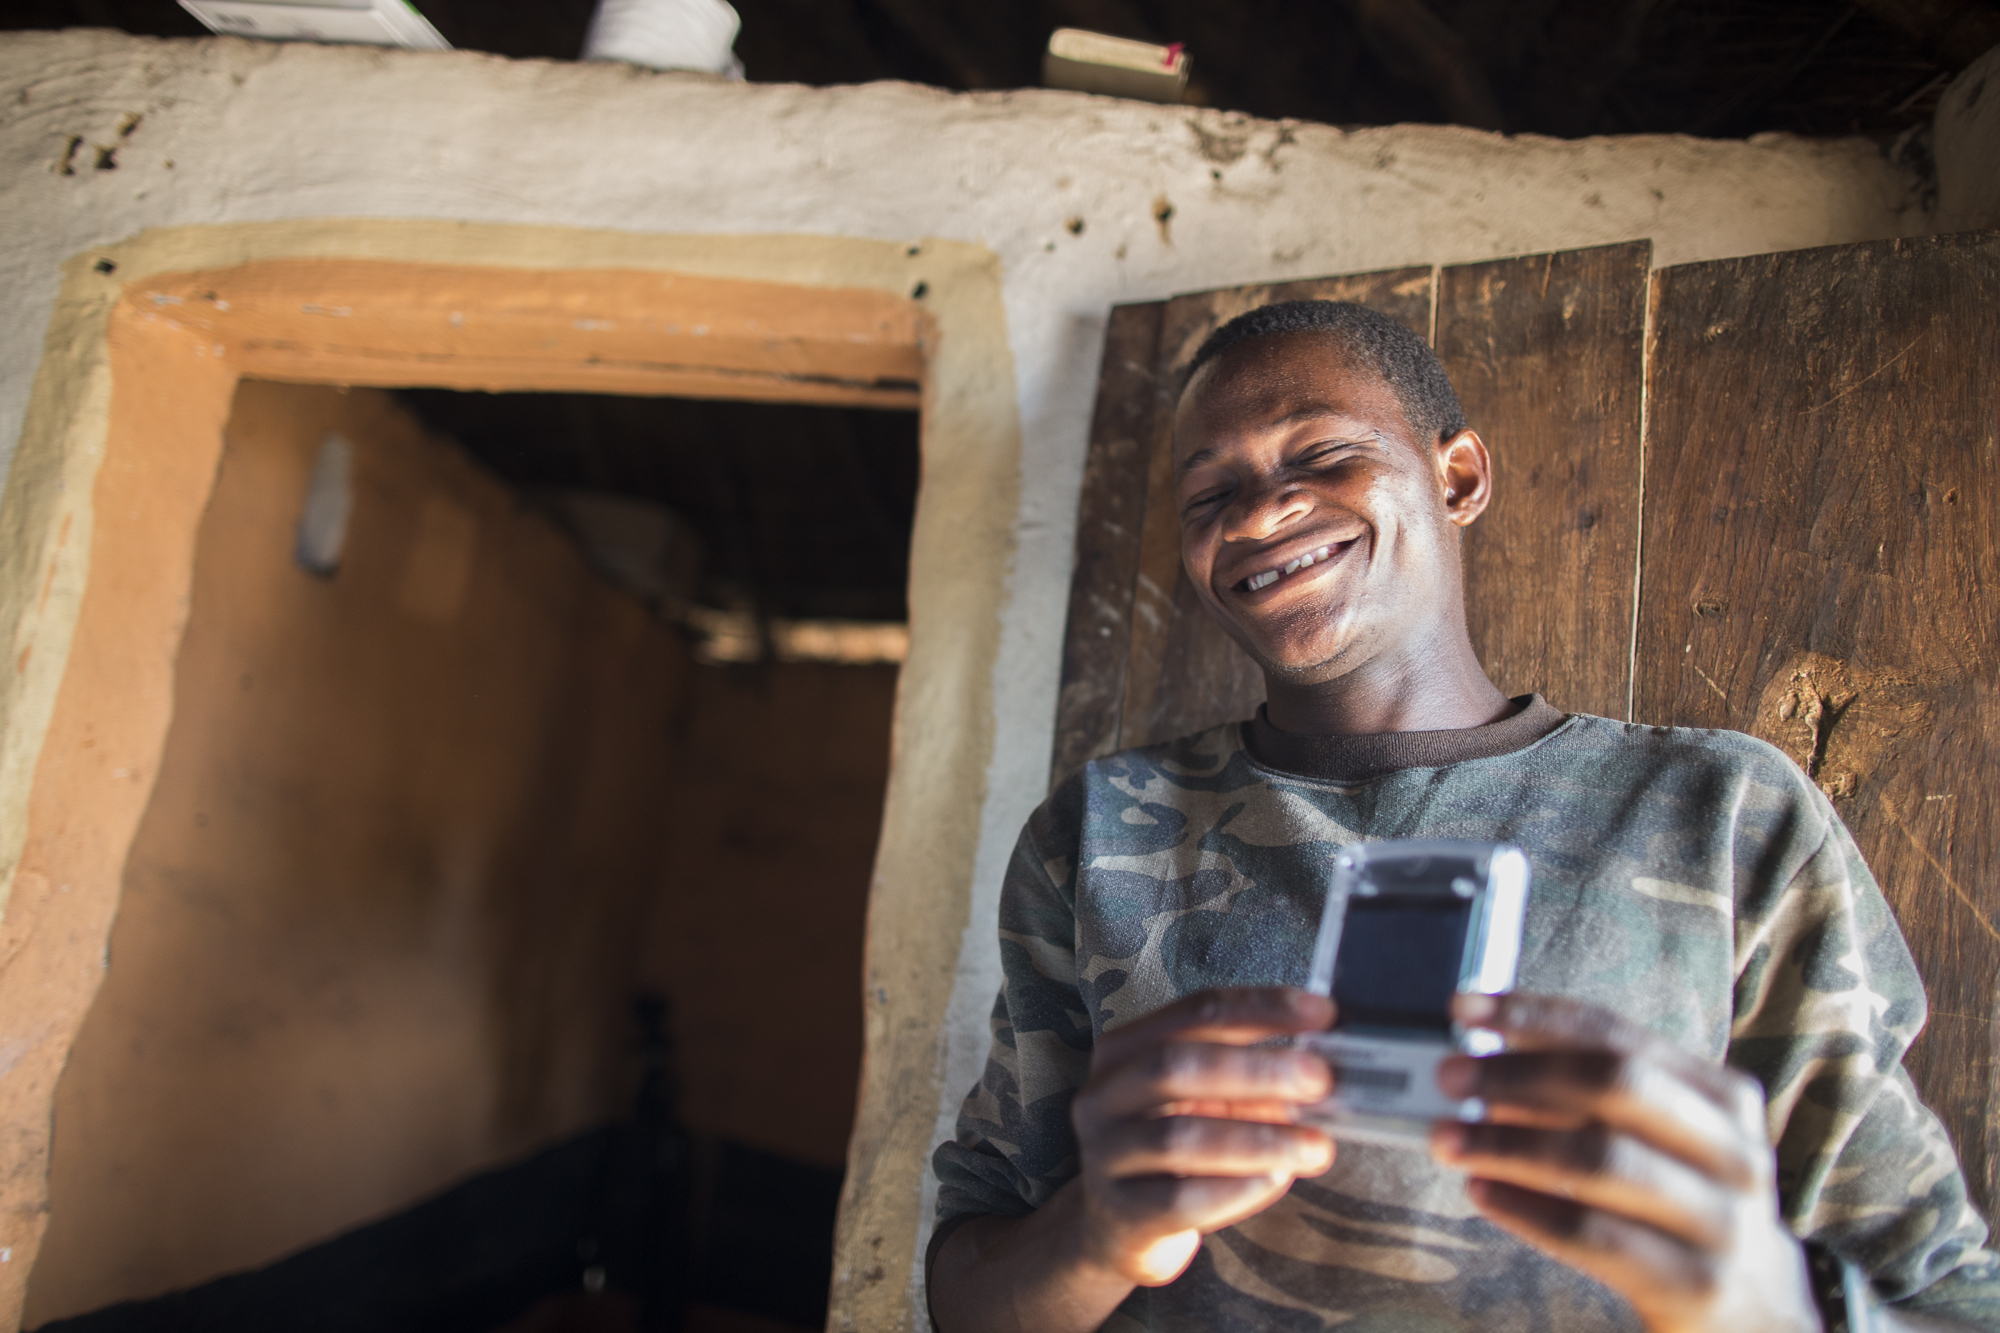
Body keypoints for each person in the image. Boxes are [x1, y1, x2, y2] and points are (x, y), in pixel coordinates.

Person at [925, 300, 2000, 1332]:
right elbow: (970, 1289)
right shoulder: (1101, 830)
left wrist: (1754, 1300)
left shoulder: (1718, 813)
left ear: (1458, 476)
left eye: (1320, 456)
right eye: (1209, 495)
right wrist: (1097, 1234)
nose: (1257, 515)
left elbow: (1942, 1294)